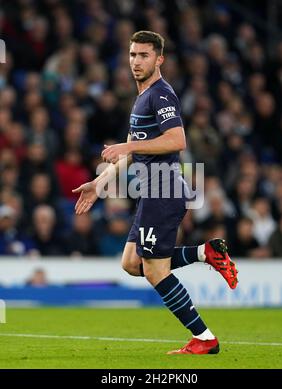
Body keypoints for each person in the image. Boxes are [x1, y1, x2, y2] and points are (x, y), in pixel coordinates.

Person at [72, 31, 238, 355]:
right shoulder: (142, 97)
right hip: (153, 190)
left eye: (144, 55)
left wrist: (129, 143)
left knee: (154, 270)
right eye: (133, 55)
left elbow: (177, 141)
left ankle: (205, 338)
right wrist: (99, 182)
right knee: (132, 263)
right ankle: (205, 253)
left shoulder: (160, 95)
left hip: (164, 189)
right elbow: (132, 155)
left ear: (159, 59)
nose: (136, 61)